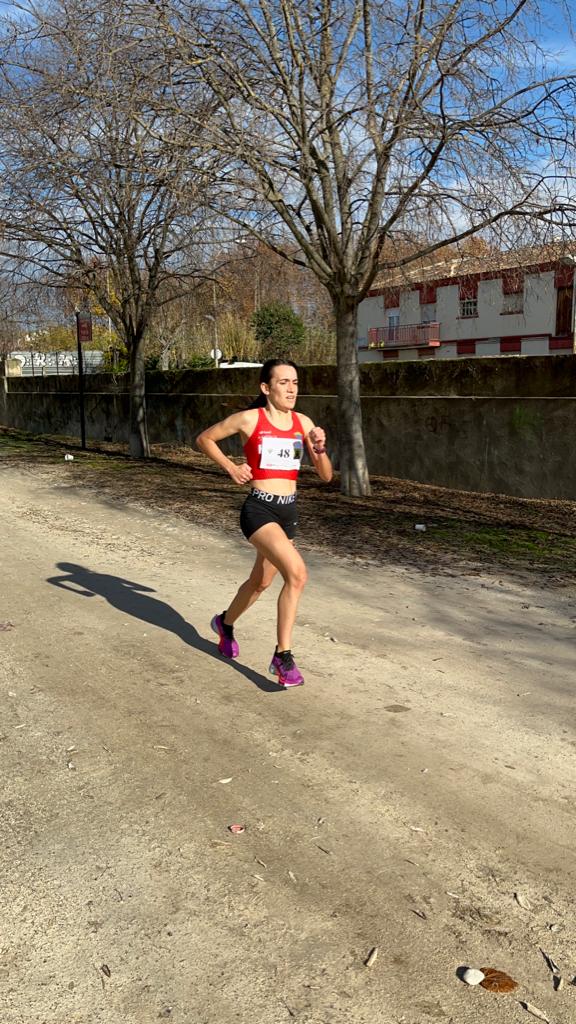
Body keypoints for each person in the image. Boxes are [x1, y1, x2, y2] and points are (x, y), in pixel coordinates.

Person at [196, 358, 333, 687]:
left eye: (295, 383)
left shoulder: (303, 423)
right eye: (284, 382)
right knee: (297, 574)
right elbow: (205, 439)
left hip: (289, 513)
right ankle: (282, 657)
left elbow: (326, 476)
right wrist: (231, 468)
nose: (291, 389)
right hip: (259, 510)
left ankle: (225, 623)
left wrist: (319, 448)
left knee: (260, 583)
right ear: (266, 388)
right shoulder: (249, 419)